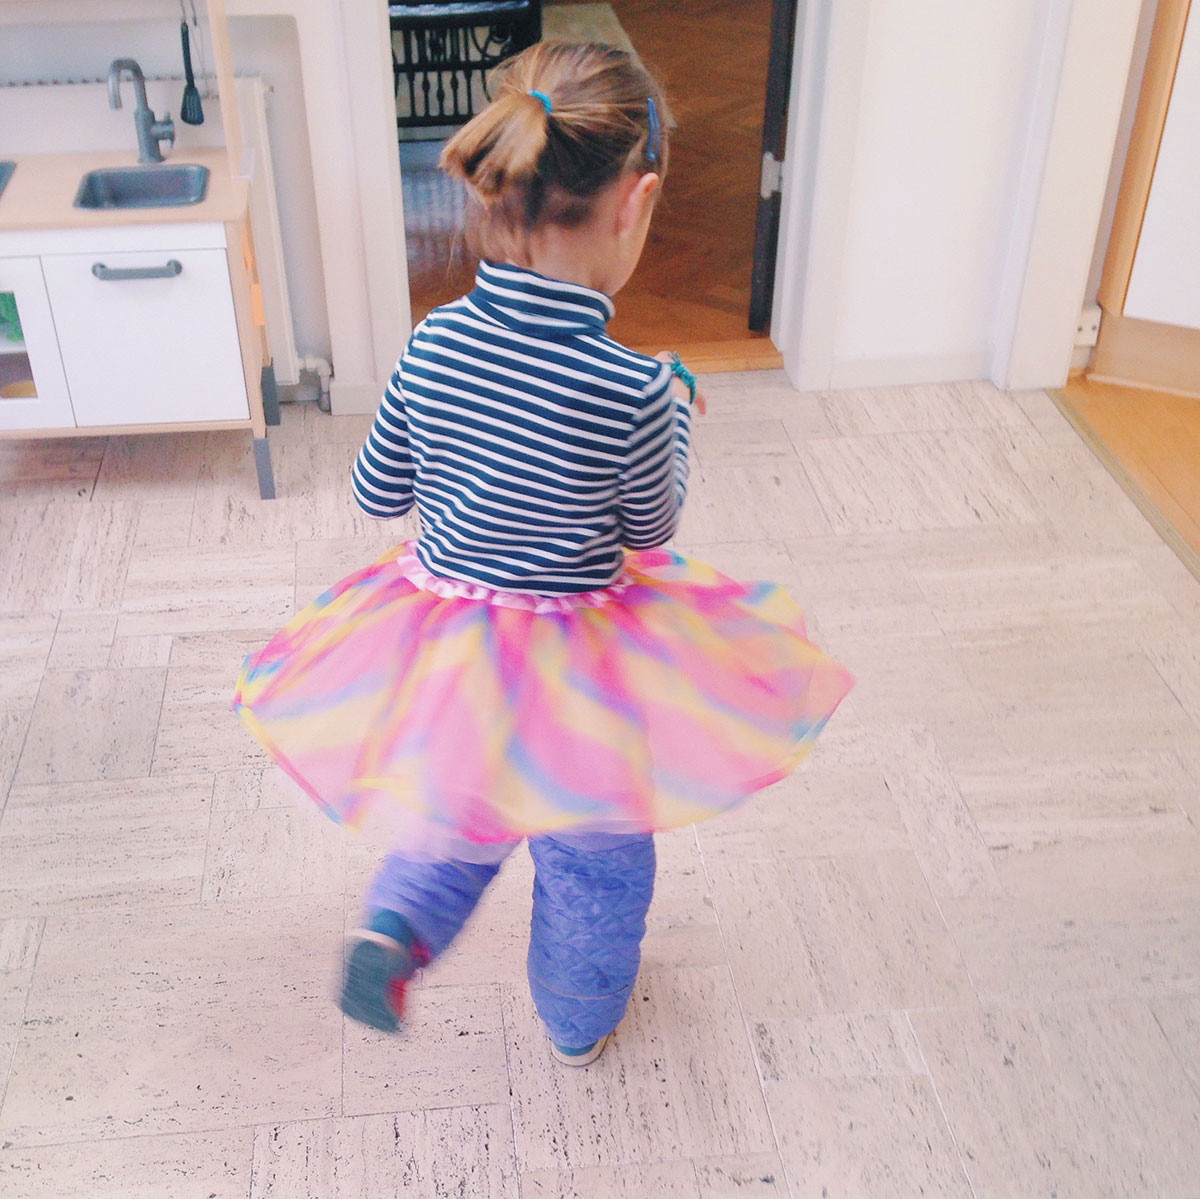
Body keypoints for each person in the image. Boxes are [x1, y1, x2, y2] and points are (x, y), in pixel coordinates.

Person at [234, 40, 852, 1067]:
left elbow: (377, 490)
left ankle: (392, 927)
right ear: (636, 200)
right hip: (582, 671)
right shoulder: (636, 390)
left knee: (459, 817)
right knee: (596, 864)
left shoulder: (431, 345)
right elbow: (650, 531)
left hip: (455, 649)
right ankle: (574, 1019)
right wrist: (672, 414)